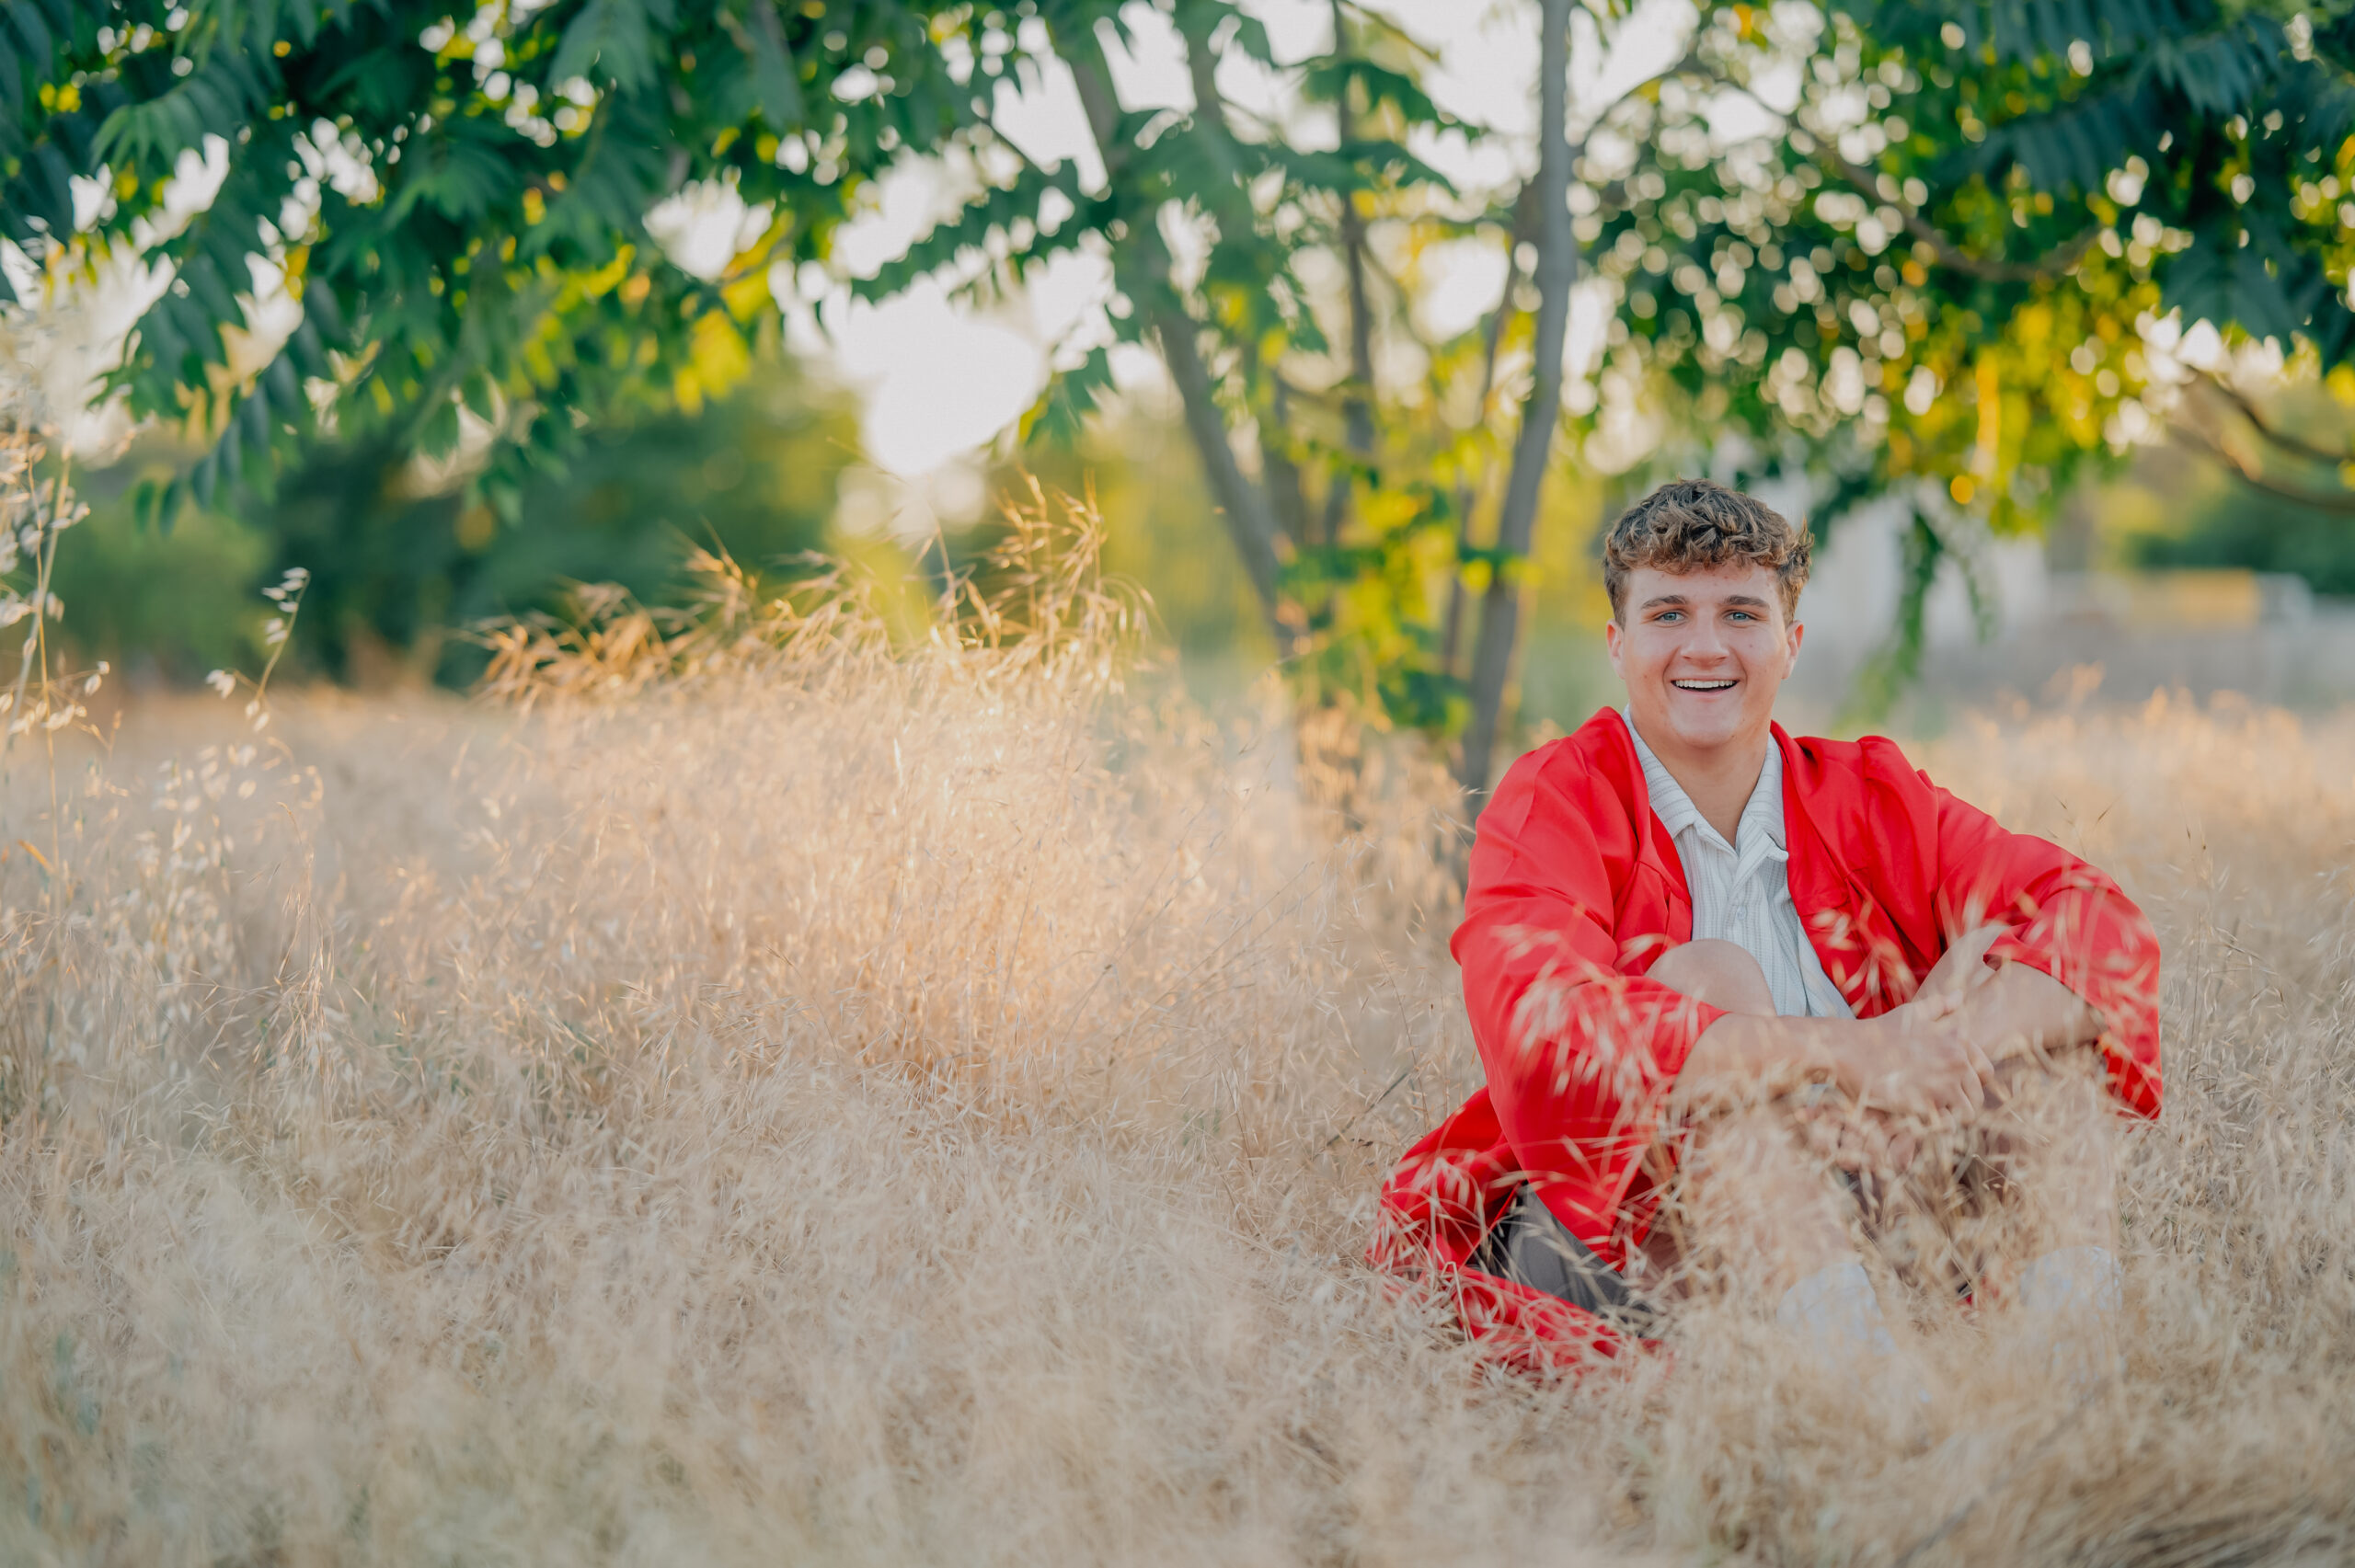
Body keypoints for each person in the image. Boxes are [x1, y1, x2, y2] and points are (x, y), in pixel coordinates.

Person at [1370, 478, 2160, 1390]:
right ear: (1618, 643)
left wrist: (1939, 1052)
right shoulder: (1554, 801)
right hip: (1615, 1246)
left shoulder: (1868, 794)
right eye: (1668, 613)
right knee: (1712, 977)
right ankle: (1860, 1398)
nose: (1704, 646)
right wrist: (1839, 1056)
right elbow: (1546, 1032)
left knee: (2035, 1046)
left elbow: (2097, 922)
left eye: (1739, 613)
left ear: (1789, 643)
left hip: (1868, 1209)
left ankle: (2071, 1392)